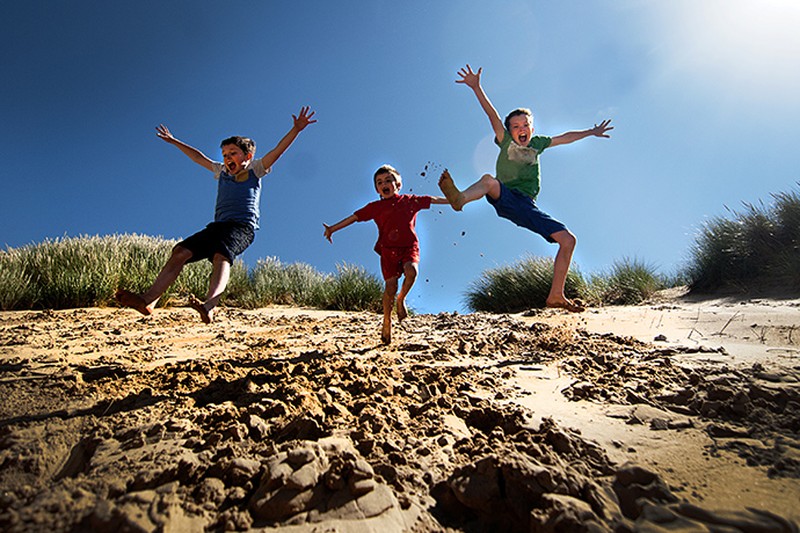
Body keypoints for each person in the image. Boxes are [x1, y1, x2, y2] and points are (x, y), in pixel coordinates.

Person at [115, 106, 316, 323]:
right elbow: (196, 157)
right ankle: (148, 300)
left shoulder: (255, 170)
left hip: (242, 227)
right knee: (180, 251)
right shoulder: (221, 171)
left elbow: (278, 151)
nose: (227, 158)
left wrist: (295, 130)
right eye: (225, 155)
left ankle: (210, 306)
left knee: (221, 255)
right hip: (218, 226)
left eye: (233, 154)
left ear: (247, 156)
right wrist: (174, 141)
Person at [439, 64, 612, 312]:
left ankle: (555, 296)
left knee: (568, 240)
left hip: (526, 205)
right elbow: (492, 116)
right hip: (505, 196)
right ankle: (460, 199)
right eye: (516, 126)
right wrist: (477, 87)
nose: (521, 129)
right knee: (489, 180)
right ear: (509, 131)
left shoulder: (539, 144)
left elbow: (566, 137)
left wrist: (591, 132)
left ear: (532, 128)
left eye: (525, 125)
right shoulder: (505, 140)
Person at [324, 164, 448, 344]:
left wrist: (455, 199)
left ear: (398, 184)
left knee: (412, 272)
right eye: (380, 182)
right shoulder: (374, 207)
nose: (384, 184)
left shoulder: (409, 200)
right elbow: (354, 218)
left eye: (389, 180)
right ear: (377, 189)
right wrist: (333, 229)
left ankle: (401, 299)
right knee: (390, 287)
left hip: (408, 246)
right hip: (387, 250)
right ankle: (387, 319)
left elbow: (433, 199)